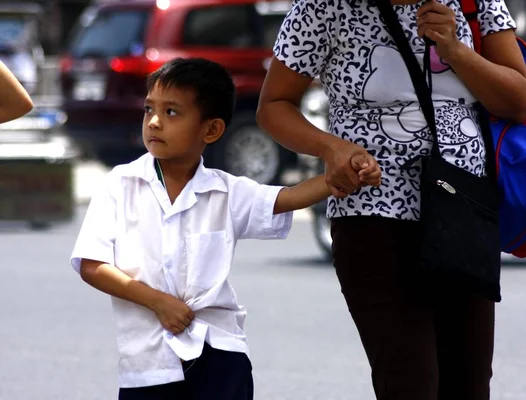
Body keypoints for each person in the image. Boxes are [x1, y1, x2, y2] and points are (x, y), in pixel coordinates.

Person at [257, 1, 526, 399]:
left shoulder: (474, 3)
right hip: (372, 214)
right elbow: (273, 106)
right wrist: (330, 148)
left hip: (463, 213)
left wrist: (454, 49)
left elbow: (517, 100)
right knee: (409, 383)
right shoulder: (322, 7)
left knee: (468, 384)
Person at [69, 57, 381, 400]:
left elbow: (287, 198)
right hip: (150, 364)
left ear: (212, 130)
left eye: (172, 112)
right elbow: (92, 265)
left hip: (220, 355)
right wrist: (157, 302)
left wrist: (341, 176)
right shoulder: (120, 184)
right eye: (149, 110)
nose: (154, 122)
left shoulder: (227, 191)